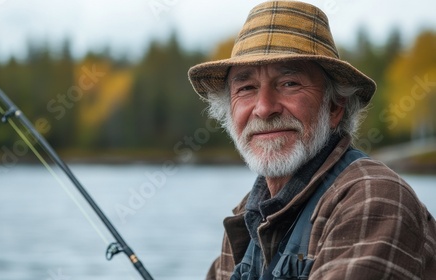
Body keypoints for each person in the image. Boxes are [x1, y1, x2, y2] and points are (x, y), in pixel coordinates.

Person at [187, 1, 436, 279]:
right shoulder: (249, 215)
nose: (264, 107)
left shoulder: (373, 196)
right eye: (246, 88)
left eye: (289, 83)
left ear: (334, 106)